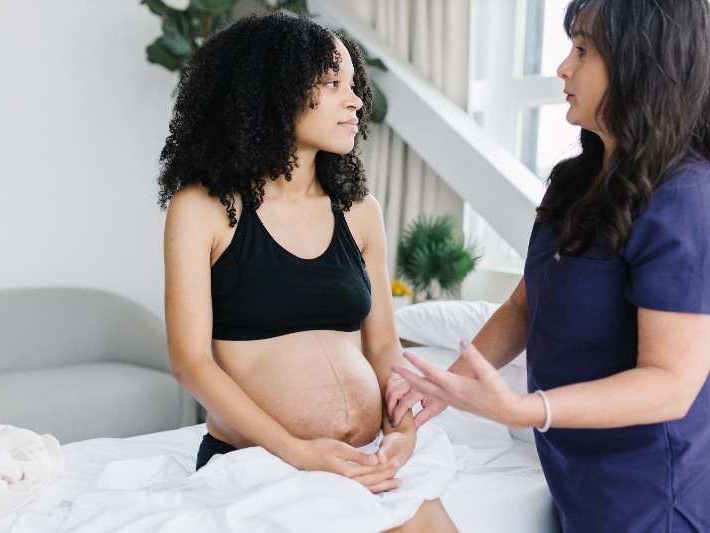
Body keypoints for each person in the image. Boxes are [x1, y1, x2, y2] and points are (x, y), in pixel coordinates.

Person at [388, 0, 710, 531]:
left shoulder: (684, 198)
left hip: (653, 496)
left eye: (582, 50)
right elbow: (523, 304)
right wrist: (443, 386)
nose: (563, 67)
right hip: (577, 479)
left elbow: (671, 384)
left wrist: (526, 409)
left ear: (639, 65)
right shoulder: (575, 183)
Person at [158, 11, 457, 532]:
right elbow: (191, 361)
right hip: (260, 462)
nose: (356, 101)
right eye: (332, 84)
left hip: (365, 459)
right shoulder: (203, 209)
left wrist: (402, 430)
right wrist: (298, 450)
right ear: (271, 93)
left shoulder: (361, 211)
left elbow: (384, 348)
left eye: (353, 84)